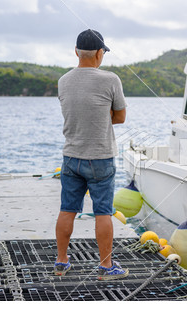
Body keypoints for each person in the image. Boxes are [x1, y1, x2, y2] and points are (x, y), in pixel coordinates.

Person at [54, 29, 128, 280]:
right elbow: (120, 117)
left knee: (67, 209)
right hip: (101, 158)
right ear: (99, 53)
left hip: (71, 156)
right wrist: (101, 116)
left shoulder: (63, 81)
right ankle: (106, 266)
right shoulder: (111, 79)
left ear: (76, 52)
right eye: (103, 53)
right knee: (103, 212)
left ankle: (61, 262)